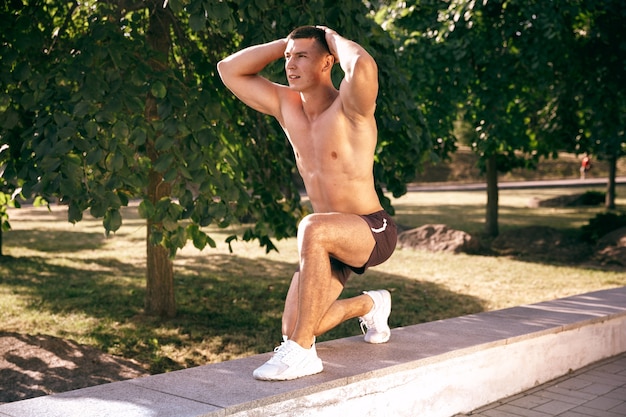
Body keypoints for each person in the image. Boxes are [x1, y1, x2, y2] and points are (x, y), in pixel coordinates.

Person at [217, 26, 397, 381]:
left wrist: (330, 37)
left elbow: (361, 65)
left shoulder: (350, 106)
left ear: (328, 61)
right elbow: (228, 69)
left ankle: (302, 355)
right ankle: (370, 304)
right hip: (327, 245)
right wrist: (284, 44)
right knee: (295, 325)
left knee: (311, 225)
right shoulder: (286, 106)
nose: (290, 64)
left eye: (302, 56)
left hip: (370, 229)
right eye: (288, 58)